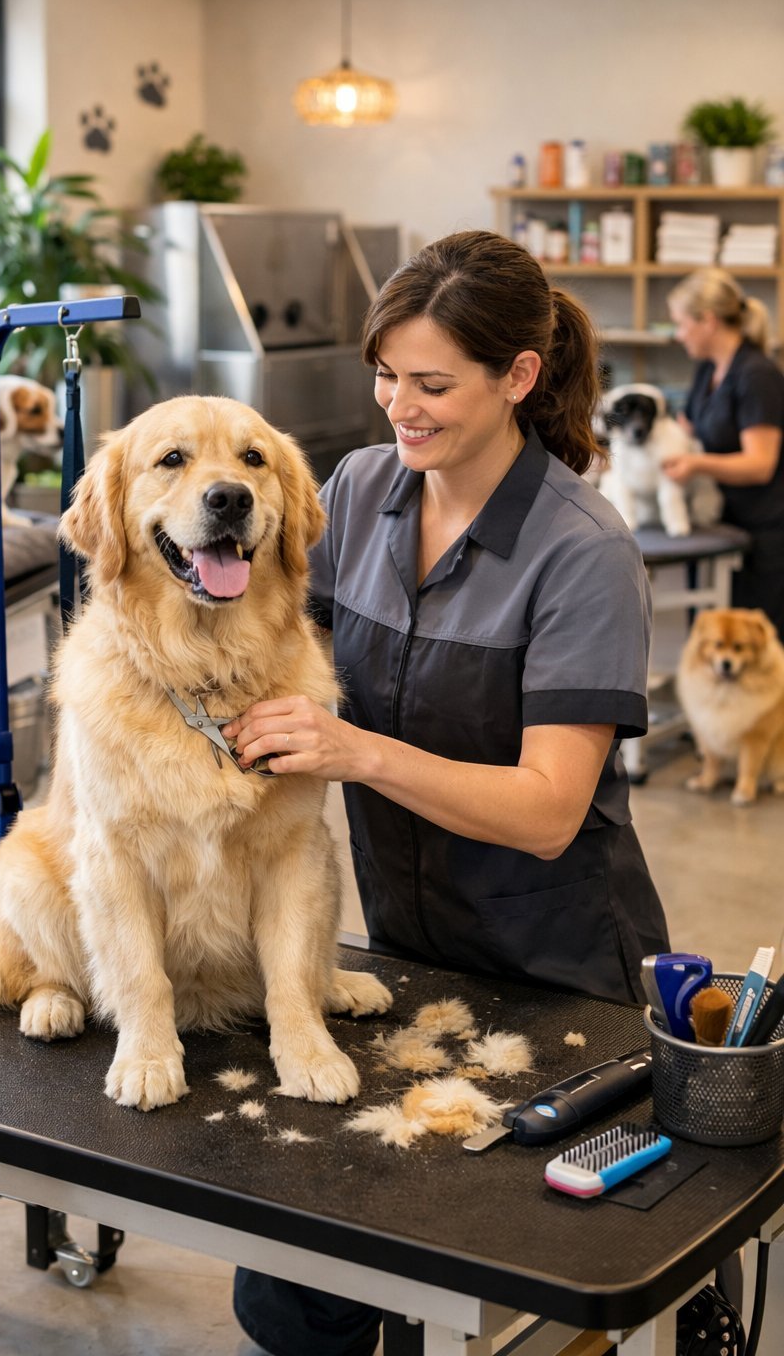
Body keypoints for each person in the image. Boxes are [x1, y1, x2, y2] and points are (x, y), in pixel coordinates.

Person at [221, 230, 669, 1356]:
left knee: (510, 1270)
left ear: (519, 376)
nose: (397, 409)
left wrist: (352, 750)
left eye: (431, 385)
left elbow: (547, 808)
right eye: (385, 377)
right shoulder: (361, 487)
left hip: (560, 973)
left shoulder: (583, 554)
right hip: (404, 944)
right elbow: (266, 641)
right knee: (293, 1286)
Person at [663, 268, 784, 640]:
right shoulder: (707, 372)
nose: (679, 335)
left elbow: (760, 464)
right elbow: (689, 428)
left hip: (761, 532)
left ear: (708, 321)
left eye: (682, 324)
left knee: (754, 650)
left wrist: (697, 464)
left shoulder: (757, 375)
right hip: (718, 522)